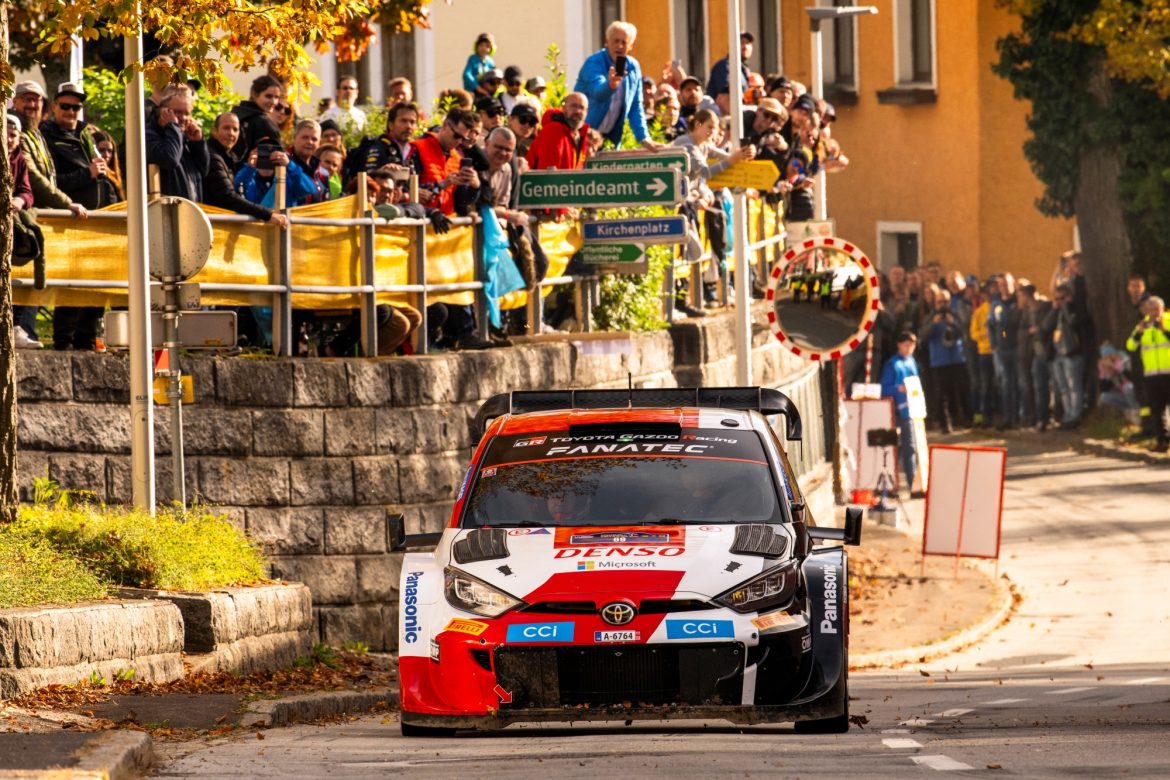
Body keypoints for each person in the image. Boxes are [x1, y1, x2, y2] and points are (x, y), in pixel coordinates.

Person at [40, 82, 117, 350]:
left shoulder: (86, 134)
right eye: (66, 106)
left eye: (76, 107)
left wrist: (110, 206)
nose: (71, 112)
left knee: (95, 286)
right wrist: (87, 174)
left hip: (97, 222)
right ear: (54, 107)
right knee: (71, 285)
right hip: (70, 222)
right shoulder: (47, 136)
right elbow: (51, 183)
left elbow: (102, 177)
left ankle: (87, 340)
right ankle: (63, 343)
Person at [574, 21, 661, 149]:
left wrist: (644, 138)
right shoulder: (593, 62)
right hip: (584, 135)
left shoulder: (633, 67)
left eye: (624, 42)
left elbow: (635, 106)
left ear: (630, 46)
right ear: (607, 42)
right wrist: (610, 85)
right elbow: (597, 92)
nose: (619, 46)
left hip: (609, 139)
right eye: (616, 41)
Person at [203, 113, 288, 227]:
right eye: (226, 128)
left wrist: (288, 165)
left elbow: (237, 191)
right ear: (214, 131)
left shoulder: (227, 157)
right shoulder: (213, 157)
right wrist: (268, 215)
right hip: (212, 226)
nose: (231, 133)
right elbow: (228, 197)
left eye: (235, 129)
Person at [7, 112, 41, 349]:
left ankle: (17, 326)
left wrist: (19, 200)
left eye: (14, 135)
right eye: (6, 134)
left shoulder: (19, 159)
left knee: (21, 276)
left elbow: (27, 190)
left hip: (10, 227)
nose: (9, 139)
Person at [145, 84, 209, 201]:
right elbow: (170, 159)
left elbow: (204, 171)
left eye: (187, 113)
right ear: (163, 110)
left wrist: (197, 143)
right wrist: (173, 126)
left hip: (189, 209)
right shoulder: (149, 134)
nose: (183, 118)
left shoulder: (183, 136)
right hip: (163, 210)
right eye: (178, 112)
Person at [1126, 295, 1170, 452]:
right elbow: (1130, 346)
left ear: (1162, 309)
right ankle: (1162, 441)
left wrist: (1165, 331)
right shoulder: (1143, 325)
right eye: (1150, 310)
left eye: (1156, 309)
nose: (1153, 313)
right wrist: (1139, 333)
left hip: (1168, 372)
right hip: (1151, 374)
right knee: (1157, 410)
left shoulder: (1168, 321)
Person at [881, 331, 923, 495]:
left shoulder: (912, 361)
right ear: (899, 345)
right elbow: (884, 388)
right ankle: (892, 486)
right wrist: (899, 389)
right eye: (906, 345)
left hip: (911, 410)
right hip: (896, 412)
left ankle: (913, 485)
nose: (909, 348)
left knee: (910, 448)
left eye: (912, 345)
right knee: (895, 450)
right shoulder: (893, 364)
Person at [920, 289, 969, 432]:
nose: (943, 305)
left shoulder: (955, 314)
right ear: (935, 303)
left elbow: (965, 333)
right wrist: (933, 324)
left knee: (959, 391)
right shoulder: (930, 317)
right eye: (939, 302)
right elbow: (923, 337)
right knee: (941, 394)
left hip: (957, 359)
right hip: (939, 361)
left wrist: (953, 324)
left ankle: (962, 419)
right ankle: (945, 423)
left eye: (946, 301)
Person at [344, 101, 419, 188]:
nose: (408, 126)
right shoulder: (378, 148)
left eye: (412, 122)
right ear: (390, 125)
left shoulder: (415, 152)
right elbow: (367, 183)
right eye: (403, 121)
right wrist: (381, 172)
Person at [526, 92, 589, 172]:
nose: (577, 111)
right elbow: (547, 172)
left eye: (581, 107)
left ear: (586, 111)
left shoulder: (580, 134)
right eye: (573, 106)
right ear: (563, 108)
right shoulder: (554, 130)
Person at [231, 75, 284, 161]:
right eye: (268, 96)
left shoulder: (234, 115)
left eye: (276, 97)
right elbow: (273, 161)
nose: (273, 102)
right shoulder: (264, 123)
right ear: (254, 94)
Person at [707, 32, 753, 100]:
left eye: (748, 43)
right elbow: (726, 96)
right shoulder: (725, 66)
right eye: (741, 42)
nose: (745, 47)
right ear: (732, 45)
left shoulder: (743, 69)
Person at [90, 130, 124, 200]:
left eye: (110, 151)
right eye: (101, 150)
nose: (106, 155)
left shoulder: (114, 175)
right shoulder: (89, 174)